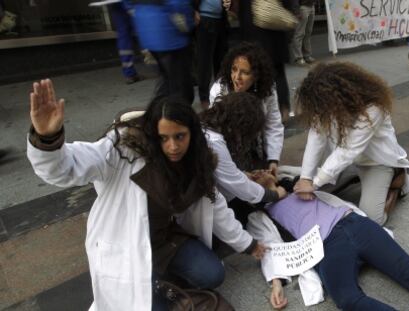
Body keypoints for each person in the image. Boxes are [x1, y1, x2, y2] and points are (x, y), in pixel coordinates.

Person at [27, 79, 266, 310]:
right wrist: (48, 139)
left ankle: (157, 283)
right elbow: (66, 169)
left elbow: (216, 207)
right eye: (163, 138)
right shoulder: (122, 152)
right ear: (153, 134)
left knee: (213, 274)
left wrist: (248, 244)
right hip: (126, 245)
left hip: (164, 242)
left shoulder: (196, 161)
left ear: (192, 134)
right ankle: (153, 286)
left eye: (179, 136)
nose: (172, 146)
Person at [255, 176, 409, 310]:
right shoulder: (262, 214)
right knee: (347, 299)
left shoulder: (300, 183)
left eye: (263, 169)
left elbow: (318, 164)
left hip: (355, 224)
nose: (259, 172)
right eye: (252, 176)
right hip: (326, 246)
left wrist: (290, 179)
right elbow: (268, 245)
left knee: (408, 271)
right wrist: (276, 283)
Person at [293, 62, 409, 225]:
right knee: (312, 194)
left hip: (376, 163)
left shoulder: (373, 107)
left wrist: (315, 183)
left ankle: (399, 183)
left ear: (340, 96)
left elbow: (348, 150)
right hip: (349, 162)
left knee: (371, 221)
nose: (320, 112)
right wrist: (306, 178)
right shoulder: (323, 106)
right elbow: (316, 140)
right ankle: (354, 178)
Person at [200, 92, 287, 225]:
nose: (264, 172)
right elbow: (238, 184)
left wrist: (242, 175)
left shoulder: (210, 130)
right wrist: (275, 195)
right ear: (238, 126)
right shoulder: (214, 141)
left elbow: (232, 178)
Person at [210, 42, 284, 177]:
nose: (236, 77)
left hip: (256, 149)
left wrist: (273, 160)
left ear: (256, 76)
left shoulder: (267, 90)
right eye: (234, 69)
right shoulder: (219, 91)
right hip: (228, 152)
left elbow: (273, 125)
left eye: (244, 72)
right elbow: (216, 134)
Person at [236, 0, 296, 121]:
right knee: (277, 73)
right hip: (274, 32)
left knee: (256, 75)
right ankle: (282, 109)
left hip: (254, 32)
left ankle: (260, 113)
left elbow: (239, 10)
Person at [128, 0, 195, 104]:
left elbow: (128, 5)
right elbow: (178, 3)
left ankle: (159, 110)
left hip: (147, 32)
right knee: (180, 84)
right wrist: (190, 23)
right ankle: (178, 113)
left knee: (166, 79)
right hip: (169, 36)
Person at [195, 0, 229, 110]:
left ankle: (220, 92)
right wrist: (193, 10)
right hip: (205, 18)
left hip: (220, 18)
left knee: (220, 59)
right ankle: (204, 98)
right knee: (205, 61)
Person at [108, 1, 142, 84]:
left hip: (116, 4)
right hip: (131, 4)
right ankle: (161, 67)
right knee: (144, 31)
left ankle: (129, 74)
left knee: (124, 37)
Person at [291, 0, 316, 66]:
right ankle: (298, 57)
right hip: (302, 7)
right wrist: (296, 11)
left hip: (311, 5)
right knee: (299, 33)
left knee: (308, 32)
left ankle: (306, 55)